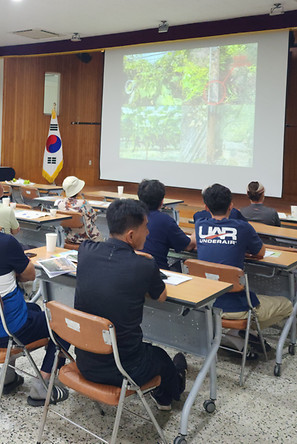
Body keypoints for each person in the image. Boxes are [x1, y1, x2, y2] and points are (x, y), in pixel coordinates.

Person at [0, 182, 69, 406]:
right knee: (62, 326)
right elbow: (29, 276)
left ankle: (8, 376)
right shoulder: (5, 242)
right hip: (8, 331)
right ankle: (42, 384)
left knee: (35, 309)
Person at [75, 198, 187, 411]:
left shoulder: (86, 250)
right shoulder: (144, 265)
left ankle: (164, 395)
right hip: (125, 368)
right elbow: (160, 296)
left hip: (85, 361)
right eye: (145, 228)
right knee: (161, 357)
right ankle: (171, 396)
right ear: (131, 235)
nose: (149, 234)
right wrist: (145, 263)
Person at [195, 183, 292, 351]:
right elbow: (261, 252)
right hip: (236, 306)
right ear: (231, 206)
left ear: (206, 207)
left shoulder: (200, 226)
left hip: (205, 301)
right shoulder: (242, 227)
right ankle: (238, 332)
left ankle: (235, 334)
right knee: (287, 304)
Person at [137, 179, 195, 271]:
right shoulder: (165, 220)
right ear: (162, 202)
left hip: (134, 270)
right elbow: (188, 246)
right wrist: (197, 231)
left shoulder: (130, 217)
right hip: (158, 273)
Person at [54, 175, 102, 244]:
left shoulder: (60, 204)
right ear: (78, 190)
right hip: (89, 238)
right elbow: (94, 218)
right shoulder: (83, 203)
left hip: (69, 237)